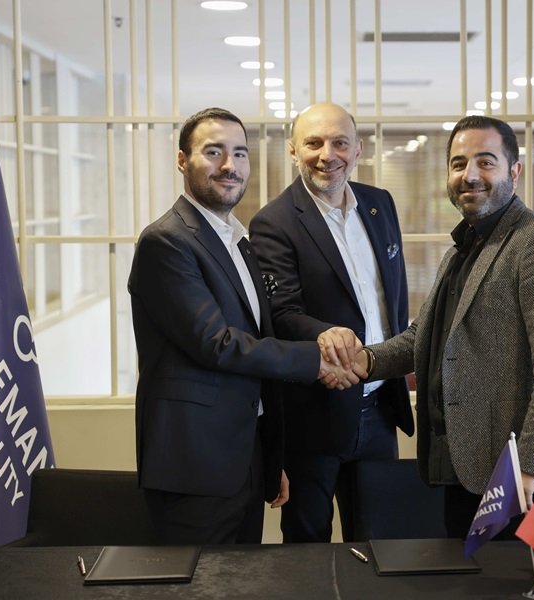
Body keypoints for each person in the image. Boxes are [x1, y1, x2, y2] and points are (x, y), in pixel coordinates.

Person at [128, 107, 360, 545]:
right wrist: (319, 359)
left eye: (239, 153)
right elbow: (216, 344)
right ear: (182, 161)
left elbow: (259, 343)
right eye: (213, 152)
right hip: (193, 465)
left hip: (245, 460)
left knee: (244, 585)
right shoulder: (167, 242)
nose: (229, 166)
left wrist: (271, 460)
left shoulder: (239, 243)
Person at [357, 115, 534, 538]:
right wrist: (362, 362)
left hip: (520, 478)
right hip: (467, 467)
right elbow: (423, 339)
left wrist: (529, 472)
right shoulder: (462, 248)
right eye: (459, 163)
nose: (470, 175)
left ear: (514, 172)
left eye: (486, 162)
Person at [249, 103, 414, 543]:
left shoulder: (380, 205)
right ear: (293, 150)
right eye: (314, 143)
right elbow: (281, 314)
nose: (328, 154)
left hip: (380, 410)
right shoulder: (274, 222)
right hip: (314, 420)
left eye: (340, 142)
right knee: (309, 549)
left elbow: (391, 302)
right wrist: (324, 334)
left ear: (358, 149)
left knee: (382, 542)